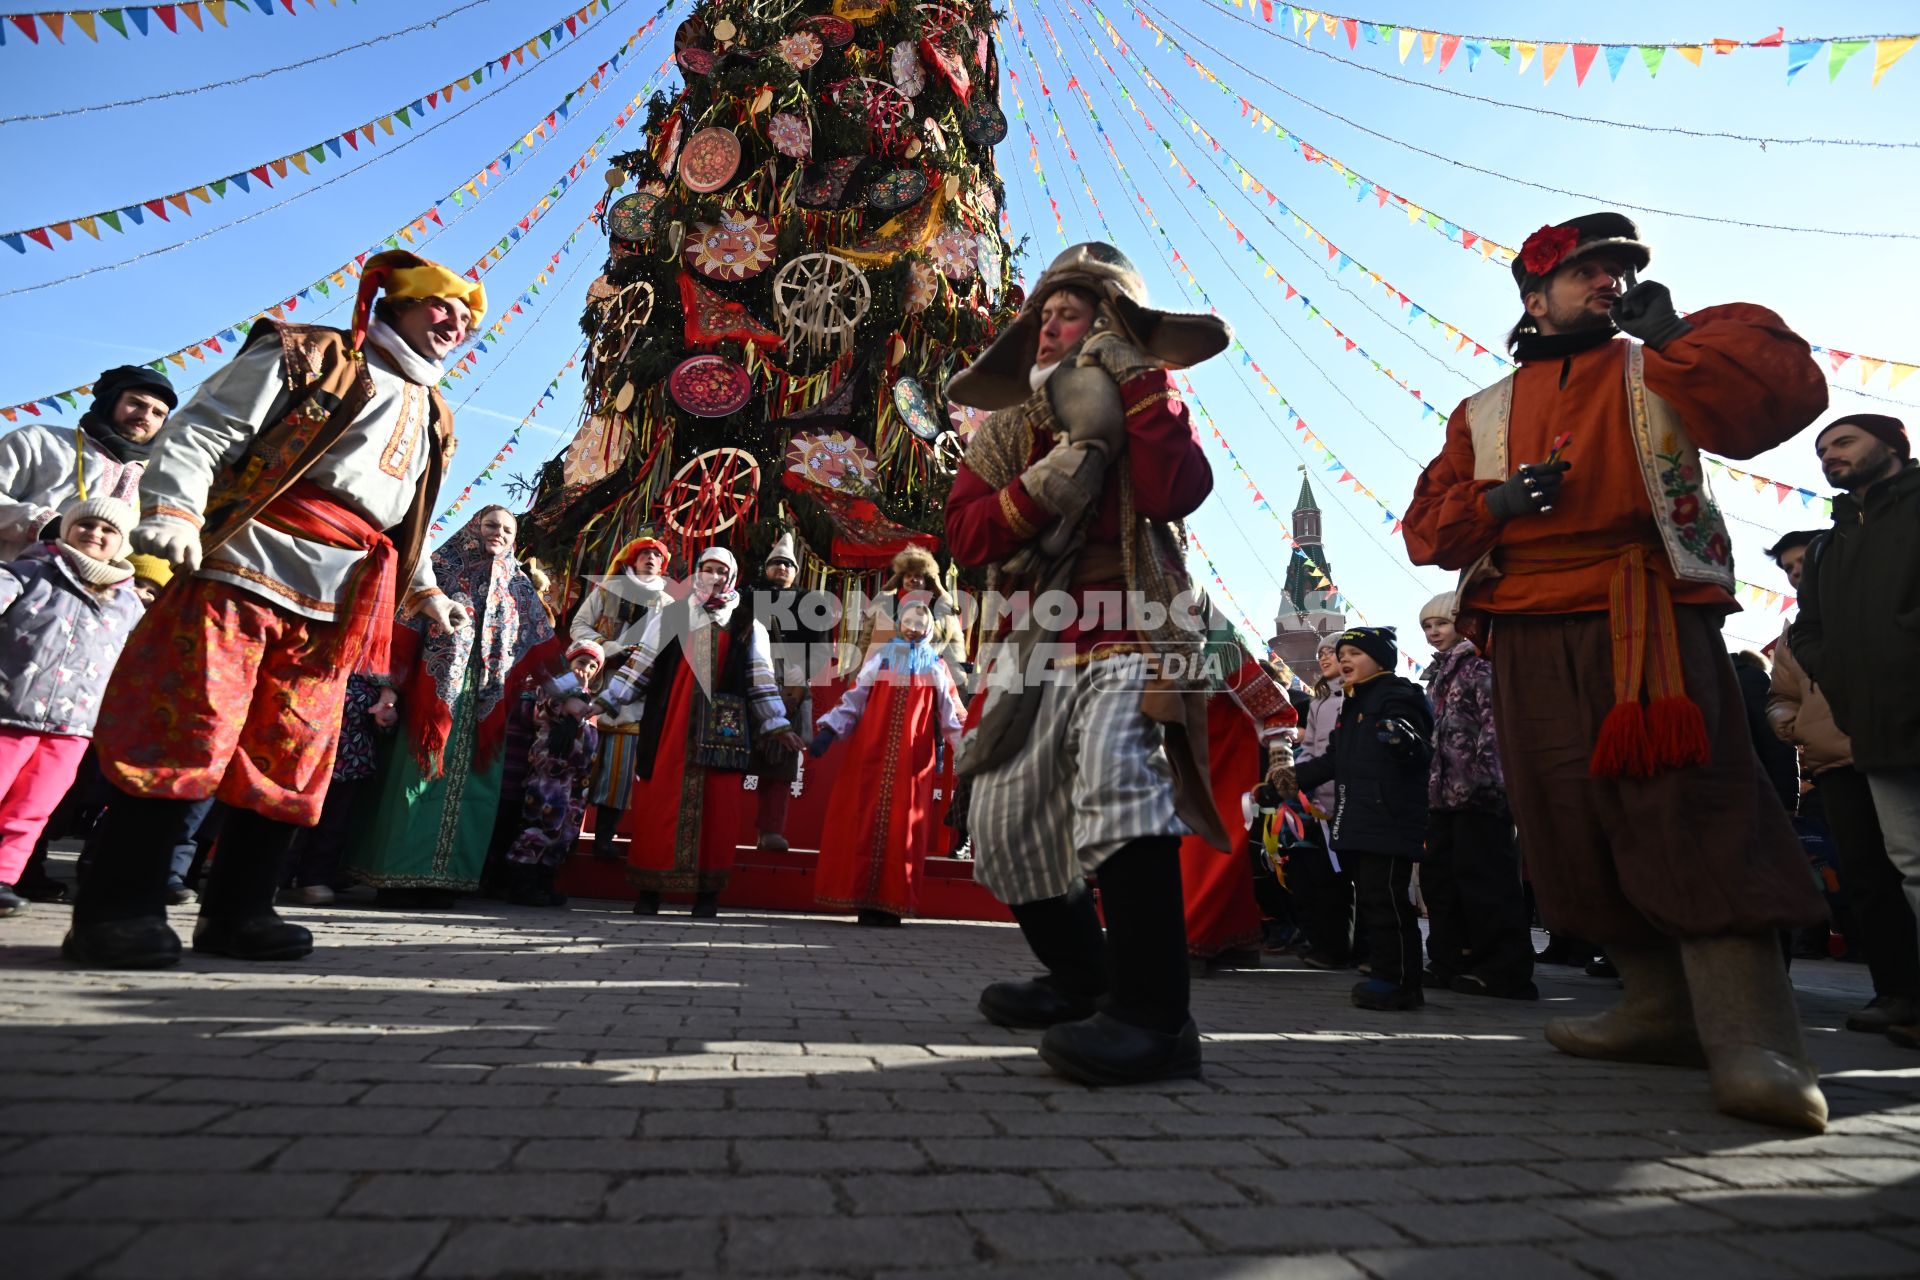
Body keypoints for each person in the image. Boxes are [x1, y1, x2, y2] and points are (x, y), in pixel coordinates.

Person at [1403, 211, 1830, 1131]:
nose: (1608, 281)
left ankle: (1753, 1036)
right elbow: (1426, 532)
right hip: (1523, 627)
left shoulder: (1662, 360)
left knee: (1690, 803)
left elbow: (1784, 401)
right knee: (1566, 817)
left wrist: (1675, 332)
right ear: (1534, 297)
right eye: (1585, 270)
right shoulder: (1481, 410)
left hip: (1647, 614)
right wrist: (1498, 501)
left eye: (1619, 268)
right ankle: (1655, 1009)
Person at [66, 251, 481, 968]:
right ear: (398, 302)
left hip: (337, 600)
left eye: (470, 319)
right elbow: (204, 427)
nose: (457, 324)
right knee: (190, 728)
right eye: (444, 306)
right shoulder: (310, 352)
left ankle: (240, 911)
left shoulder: (436, 411)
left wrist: (426, 592)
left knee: (291, 754)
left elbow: (403, 522)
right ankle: (117, 909)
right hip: (240, 564)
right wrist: (171, 509)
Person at [945, 241, 1232, 1085]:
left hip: (1132, 628)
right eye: (1043, 314)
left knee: (1116, 776)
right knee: (1001, 822)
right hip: (1029, 643)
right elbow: (965, 536)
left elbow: (1178, 489)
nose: (1048, 327)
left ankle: (1156, 1020)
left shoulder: (1150, 398)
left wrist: (1134, 387)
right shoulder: (1003, 430)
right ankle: (1083, 979)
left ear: (1109, 323)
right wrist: (1047, 484)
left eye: (1070, 313)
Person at [1789, 414, 1920, 1049]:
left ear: (1893, 446)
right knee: (1906, 867)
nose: (1829, 455)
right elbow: (1806, 629)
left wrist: (1901, 646)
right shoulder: (1830, 543)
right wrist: (1834, 671)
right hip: (1874, 726)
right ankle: (1905, 995)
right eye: (1821, 449)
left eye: (1843, 441)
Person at [349, 505, 555, 907]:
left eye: (508, 530)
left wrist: (572, 693)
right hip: (430, 702)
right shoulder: (438, 572)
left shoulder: (518, 587)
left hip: (483, 707)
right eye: (491, 525)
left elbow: (545, 648)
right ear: (473, 527)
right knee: (417, 783)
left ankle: (447, 879)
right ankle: (398, 878)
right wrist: (389, 691)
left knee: (472, 793)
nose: (498, 534)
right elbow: (403, 630)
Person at [578, 548, 801, 918]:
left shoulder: (747, 622)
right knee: (660, 804)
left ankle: (706, 896)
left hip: (723, 730)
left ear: (731, 577)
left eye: (721, 571)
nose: (713, 577)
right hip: (671, 726)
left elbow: (760, 680)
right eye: (707, 569)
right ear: (697, 573)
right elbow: (641, 667)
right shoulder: (673, 615)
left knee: (719, 810)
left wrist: (777, 723)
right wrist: (606, 702)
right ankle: (650, 892)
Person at [1767, 528, 1916, 1032]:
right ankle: (1894, 991)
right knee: (1866, 881)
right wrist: (1792, 723)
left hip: (1898, 749)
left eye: (1802, 561)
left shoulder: (1879, 599)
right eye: (1786, 568)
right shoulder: (1796, 631)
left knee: (1911, 867)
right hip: (1834, 763)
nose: (1794, 572)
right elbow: (1781, 693)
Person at [0, 498, 145, 917]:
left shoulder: (128, 602)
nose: (95, 534)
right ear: (67, 528)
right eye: (87, 524)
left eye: (108, 530)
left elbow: (136, 661)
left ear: (121, 544)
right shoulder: (30, 571)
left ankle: (5, 877)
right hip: (12, 710)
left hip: (74, 727)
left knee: (33, 807)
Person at [1278, 628, 1434, 1010]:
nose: (1344, 659)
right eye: (1342, 652)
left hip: (1389, 816)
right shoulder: (1352, 702)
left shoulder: (1399, 695)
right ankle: (1384, 973)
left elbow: (1417, 746)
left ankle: (1400, 982)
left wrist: (1403, 738)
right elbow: (1333, 759)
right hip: (1357, 815)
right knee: (1370, 900)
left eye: (1355, 653)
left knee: (1387, 902)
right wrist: (1289, 782)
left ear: (1381, 660)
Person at [810, 600, 967, 925]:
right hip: (871, 759)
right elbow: (854, 699)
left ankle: (891, 905)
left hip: (912, 765)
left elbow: (952, 717)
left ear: (929, 629)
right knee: (865, 825)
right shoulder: (880, 660)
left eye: (920, 622)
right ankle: (863, 900)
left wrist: (968, 752)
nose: (913, 627)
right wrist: (829, 730)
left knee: (903, 830)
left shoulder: (937, 666)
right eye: (908, 620)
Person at [1416, 592, 1535, 999]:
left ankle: (1504, 969)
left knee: (1486, 881)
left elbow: (1495, 727)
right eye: (1427, 626)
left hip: (1480, 793)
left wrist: (1488, 779)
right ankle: (1450, 959)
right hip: (1444, 795)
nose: (1434, 632)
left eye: (1442, 624)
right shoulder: (1438, 675)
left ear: (1464, 624)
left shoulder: (1480, 667)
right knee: (1442, 881)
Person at [1179, 630, 1299, 970]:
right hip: (1167, 768)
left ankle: (1189, 941)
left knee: (1202, 854)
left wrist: (1280, 755)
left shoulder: (1221, 649)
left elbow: (1273, 707)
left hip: (1219, 768)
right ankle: (1233, 939)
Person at [0, 365, 175, 561]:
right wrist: (47, 525)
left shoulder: (156, 478)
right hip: (13, 579)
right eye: (136, 403)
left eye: (158, 413)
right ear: (110, 402)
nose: (145, 416)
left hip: (96, 589)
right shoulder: (38, 440)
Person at [575, 536, 671, 858]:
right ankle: (566, 830)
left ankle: (604, 837)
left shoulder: (669, 605)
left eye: (656, 556)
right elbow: (579, 626)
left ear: (663, 565)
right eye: (644, 553)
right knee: (579, 764)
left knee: (619, 773)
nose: (650, 559)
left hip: (638, 697)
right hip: (599, 681)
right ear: (632, 559)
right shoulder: (607, 590)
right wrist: (610, 649)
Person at [501, 640, 604, 906]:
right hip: (551, 772)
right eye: (581, 662)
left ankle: (545, 882)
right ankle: (521, 882)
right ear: (568, 662)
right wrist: (562, 706)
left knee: (566, 829)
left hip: (576, 776)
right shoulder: (552, 690)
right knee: (542, 820)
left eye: (593, 666)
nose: (586, 669)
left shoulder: (591, 702)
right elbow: (536, 713)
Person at [284, 674, 397, 906]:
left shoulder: (374, 659)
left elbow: (388, 697)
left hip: (350, 755)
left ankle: (314, 880)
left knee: (333, 824)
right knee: (294, 819)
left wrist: (386, 709)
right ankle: (277, 879)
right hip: (305, 754)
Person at [752, 532, 832, 853]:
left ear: (796, 572)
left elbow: (820, 652)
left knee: (781, 764)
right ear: (766, 568)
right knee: (730, 759)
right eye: (776, 563)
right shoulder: (747, 596)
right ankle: (718, 827)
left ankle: (770, 831)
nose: (782, 568)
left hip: (791, 684)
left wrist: (796, 691)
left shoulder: (810, 603)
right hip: (747, 681)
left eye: (788, 564)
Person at [863, 544, 968, 688]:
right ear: (901, 580)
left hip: (926, 686)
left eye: (918, 576)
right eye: (908, 575)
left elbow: (954, 655)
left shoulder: (941, 615)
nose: (912, 579)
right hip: (885, 684)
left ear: (927, 581)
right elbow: (868, 647)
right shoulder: (886, 608)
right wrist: (862, 684)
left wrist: (957, 688)